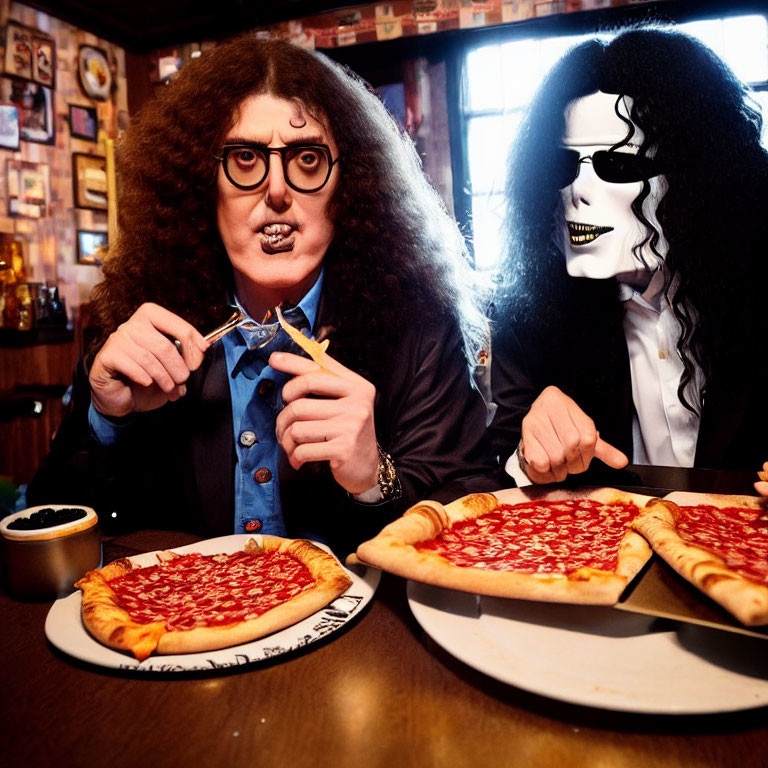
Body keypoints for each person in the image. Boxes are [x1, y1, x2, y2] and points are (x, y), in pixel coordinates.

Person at [27, 36, 492, 555]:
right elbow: (49, 523)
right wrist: (107, 418)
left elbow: (471, 521)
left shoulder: (422, 330)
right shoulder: (146, 334)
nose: (276, 190)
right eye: (245, 158)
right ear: (202, 183)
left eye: (308, 159)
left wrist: (373, 479)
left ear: (352, 186)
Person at [490, 27, 768, 485]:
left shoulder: (757, 291)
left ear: (694, 174)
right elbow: (500, 461)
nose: (578, 191)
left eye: (617, 164)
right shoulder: (530, 314)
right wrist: (529, 455)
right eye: (564, 165)